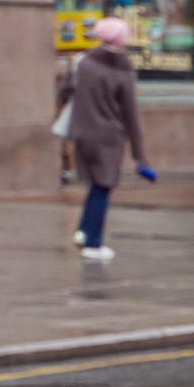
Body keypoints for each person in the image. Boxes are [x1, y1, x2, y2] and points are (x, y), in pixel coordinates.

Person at [58, 17, 152, 261]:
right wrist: (140, 156)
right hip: (109, 138)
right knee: (103, 186)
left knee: (95, 184)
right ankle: (94, 243)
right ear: (122, 41)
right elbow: (131, 116)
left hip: (82, 133)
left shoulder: (82, 62)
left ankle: (82, 231)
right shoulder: (124, 72)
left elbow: (63, 92)